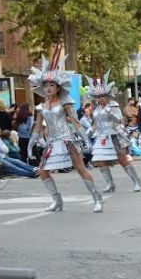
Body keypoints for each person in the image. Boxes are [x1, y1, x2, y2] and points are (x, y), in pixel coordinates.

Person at [27, 50, 104, 213]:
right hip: (51, 142)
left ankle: (97, 199)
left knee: (80, 169)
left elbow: (75, 122)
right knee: (42, 171)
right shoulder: (41, 106)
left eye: (52, 85)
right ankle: (57, 200)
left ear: (58, 86)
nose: (48, 88)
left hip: (67, 140)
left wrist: (85, 139)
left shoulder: (65, 102)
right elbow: (38, 126)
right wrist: (31, 143)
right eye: (46, 85)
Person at [85, 70, 141, 193]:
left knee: (122, 159)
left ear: (107, 95)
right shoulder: (97, 108)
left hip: (114, 135)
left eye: (103, 96)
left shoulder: (113, 105)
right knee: (100, 161)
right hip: (101, 137)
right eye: (98, 97)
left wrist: (111, 115)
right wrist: (89, 130)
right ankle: (110, 184)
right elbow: (95, 123)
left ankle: (136, 181)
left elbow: (119, 120)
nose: (101, 99)